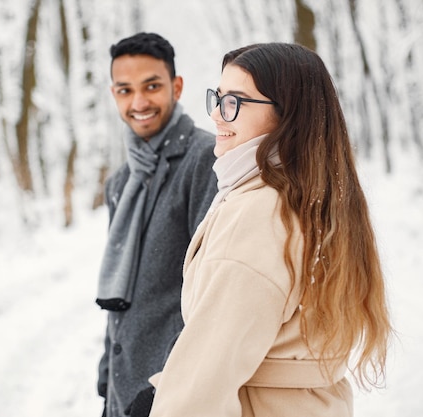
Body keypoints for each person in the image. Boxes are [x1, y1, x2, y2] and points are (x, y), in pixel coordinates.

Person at [144, 43, 392, 417]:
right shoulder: (316, 199)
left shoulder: (258, 214)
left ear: (286, 114)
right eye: (218, 98)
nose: (216, 115)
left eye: (235, 102)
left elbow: (202, 389)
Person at [95, 32, 218, 417]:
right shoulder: (120, 183)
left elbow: (212, 292)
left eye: (151, 86)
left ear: (176, 86)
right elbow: (122, 286)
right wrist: (107, 373)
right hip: (121, 390)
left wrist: (165, 386)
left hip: (170, 395)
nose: (139, 102)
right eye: (124, 90)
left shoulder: (206, 161)